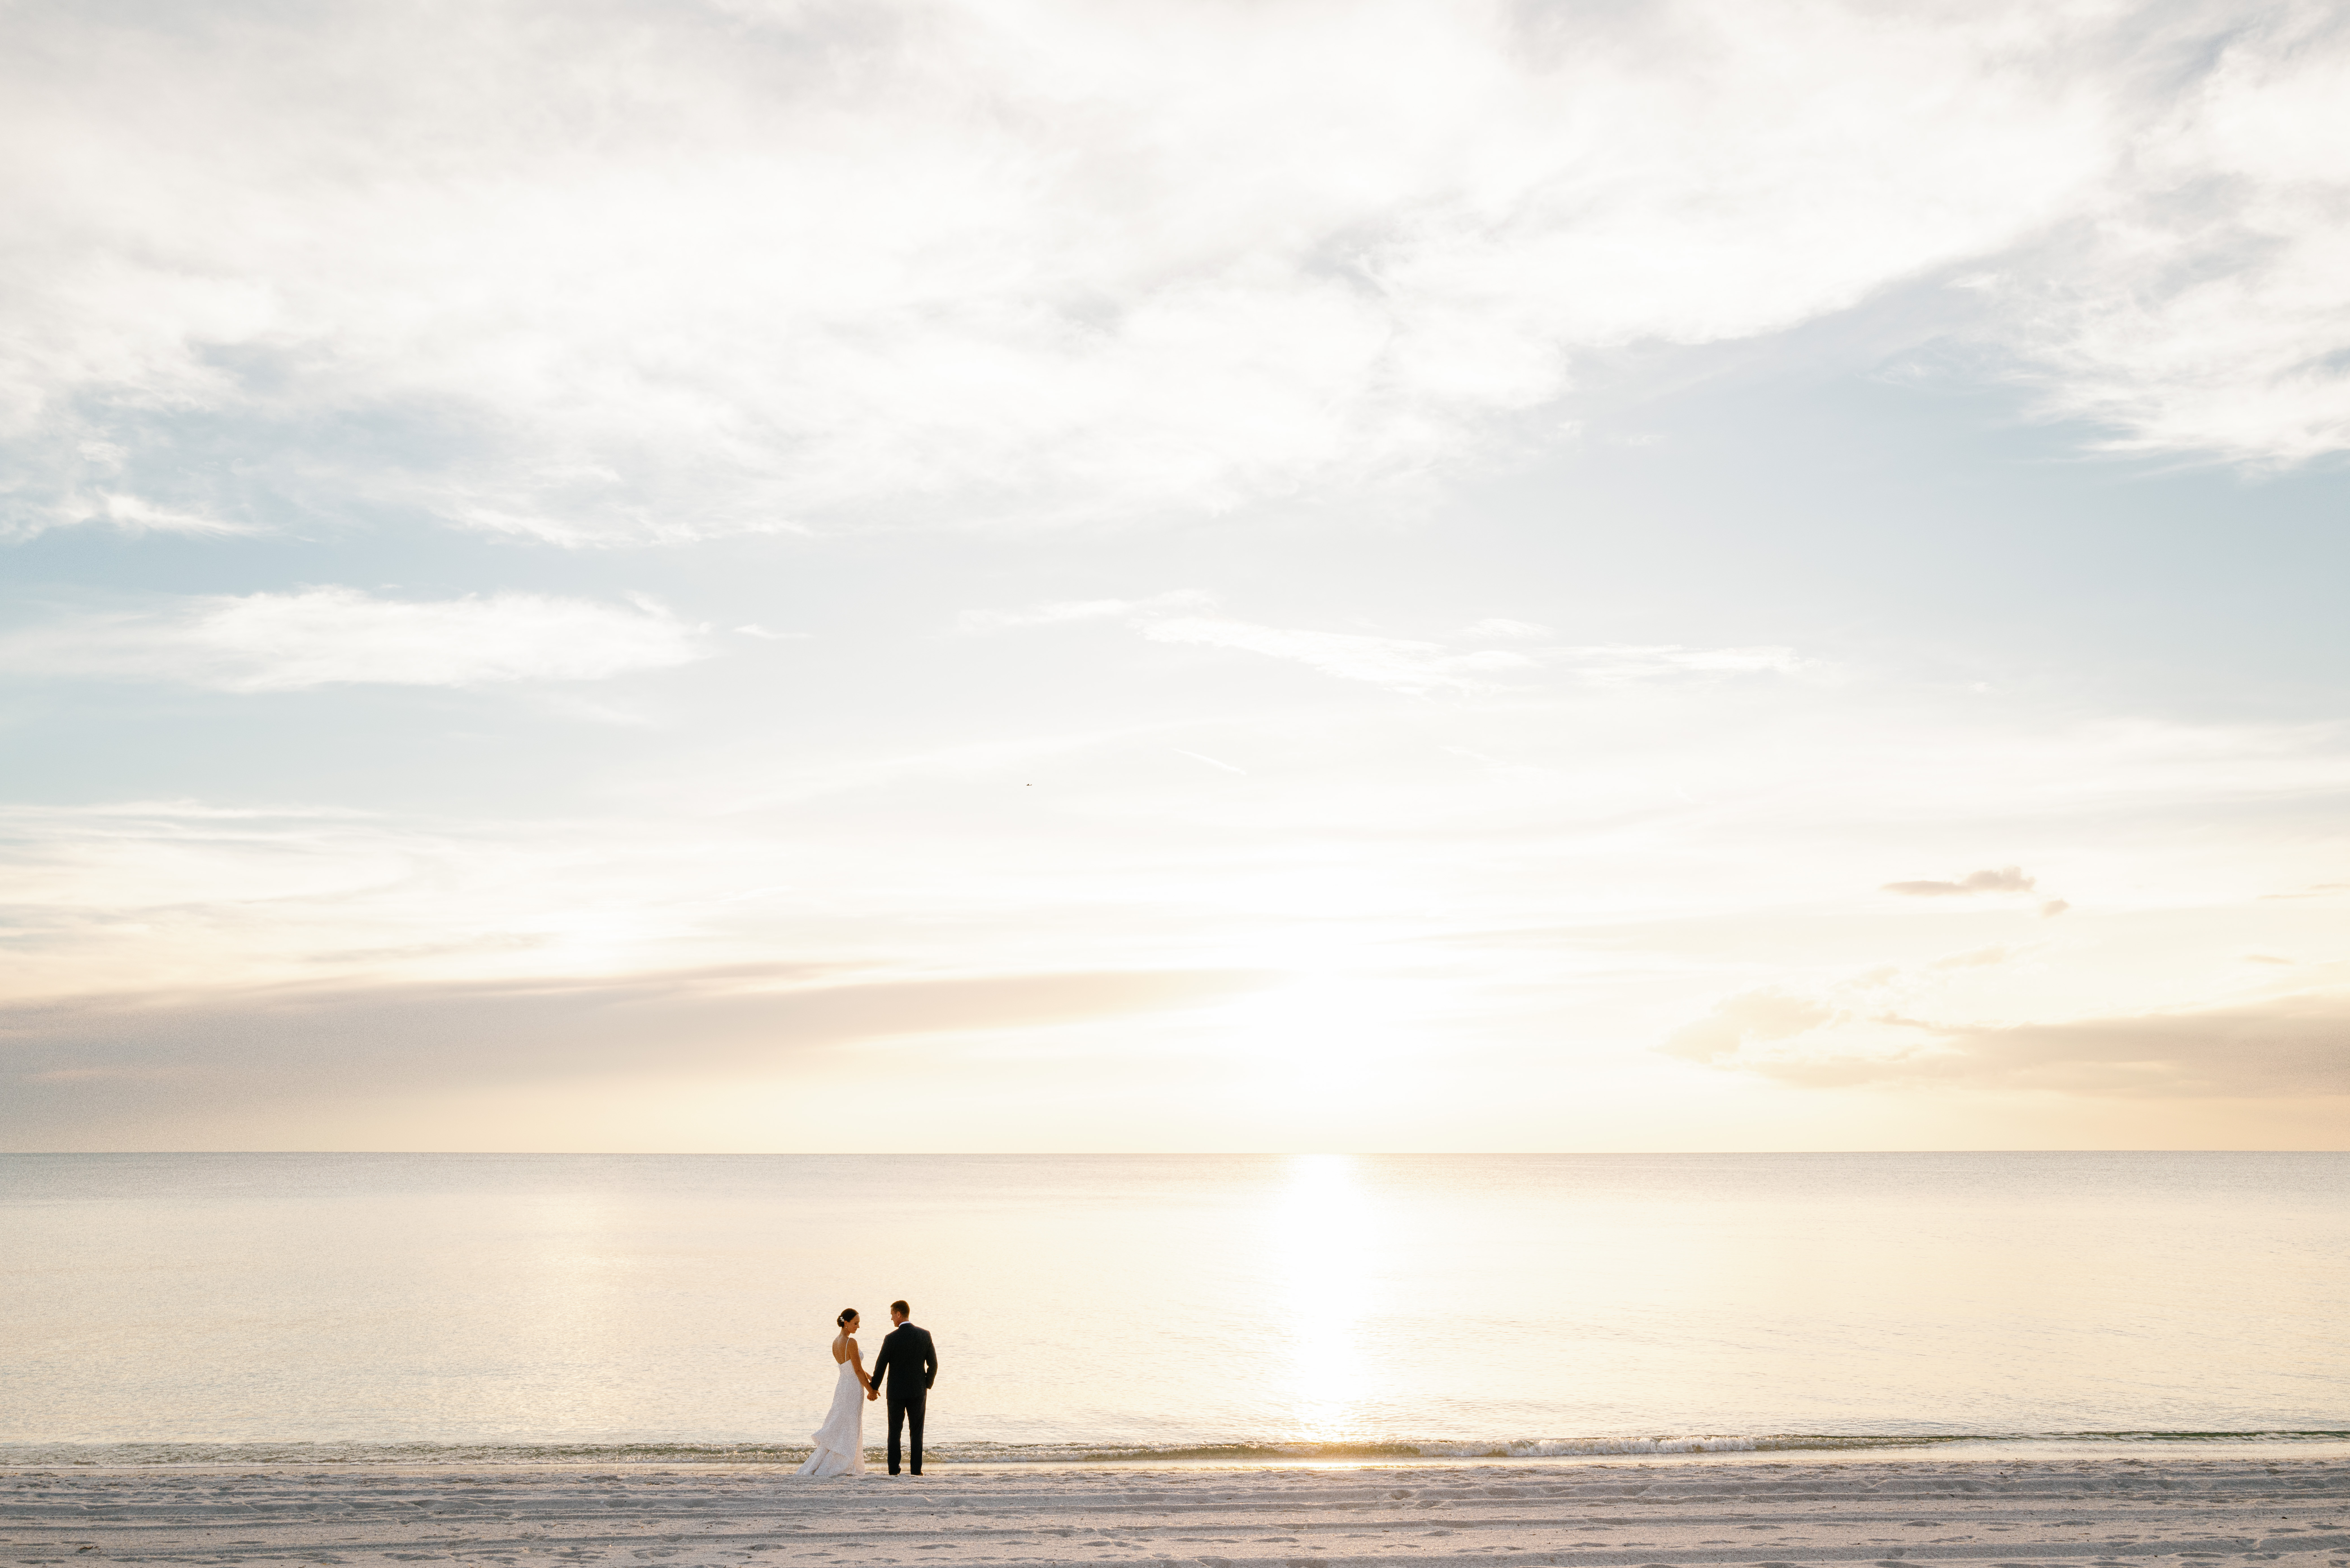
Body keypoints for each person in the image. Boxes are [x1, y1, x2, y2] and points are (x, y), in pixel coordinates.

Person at [792, 1308, 872, 1476]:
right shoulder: (852, 1343)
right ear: (846, 1323)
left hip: (842, 1386)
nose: (858, 1327)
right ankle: (841, 1463)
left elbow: (851, 1368)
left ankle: (832, 1460)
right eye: (856, 1323)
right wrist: (871, 1390)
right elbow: (857, 1371)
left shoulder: (836, 1342)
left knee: (841, 1423)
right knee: (850, 1425)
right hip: (852, 1388)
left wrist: (870, 1376)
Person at [863, 1300, 937, 1476]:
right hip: (918, 1392)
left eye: (892, 1315)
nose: (891, 1319)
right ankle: (916, 1471)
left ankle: (894, 1471)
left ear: (899, 1314)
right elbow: (933, 1365)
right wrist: (926, 1384)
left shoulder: (891, 1338)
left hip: (896, 1393)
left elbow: (880, 1367)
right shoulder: (925, 1335)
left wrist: (874, 1388)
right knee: (917, 1432)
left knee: (895, 1432)